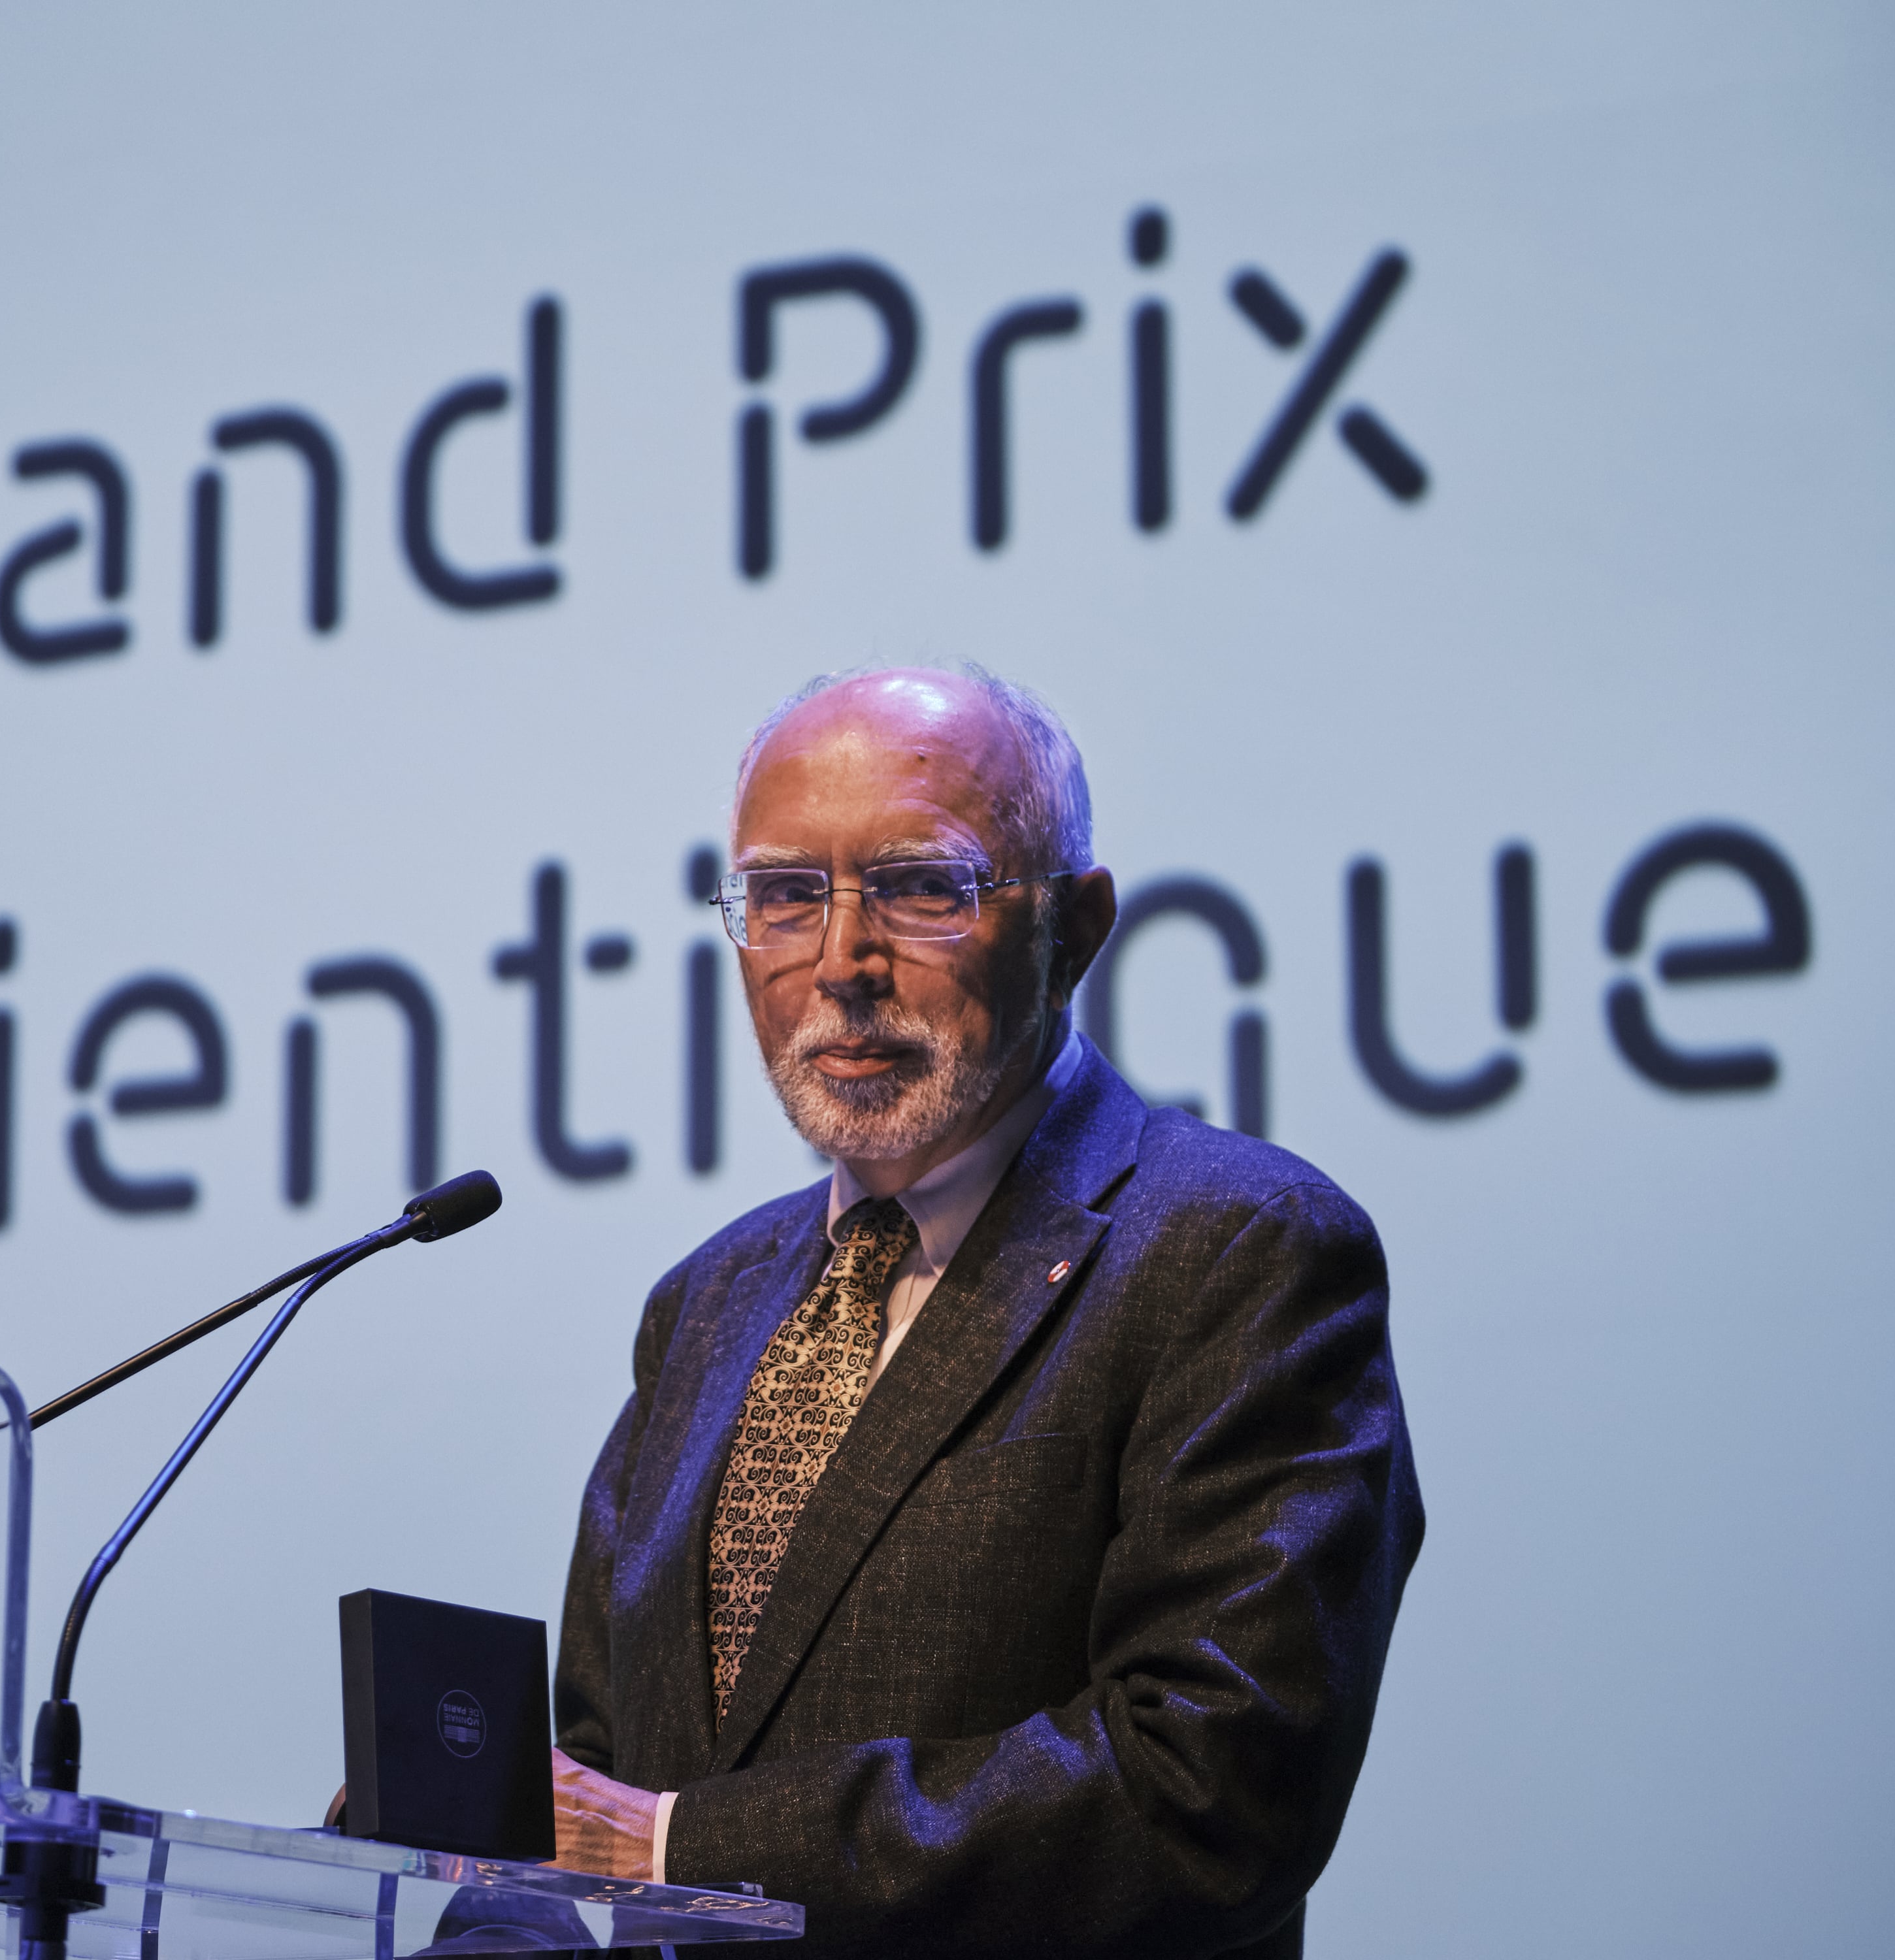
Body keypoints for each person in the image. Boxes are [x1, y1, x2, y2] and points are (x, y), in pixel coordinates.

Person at [548, 668, 1423, 1960]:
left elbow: (1206, 1792)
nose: (842, 961)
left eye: (918, 888)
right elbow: (593, 1793)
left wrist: (686, 1856)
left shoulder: (1240, 1252)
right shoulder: (707, 1304)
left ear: (1079, 926)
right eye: (787, 897)